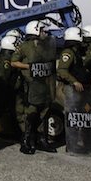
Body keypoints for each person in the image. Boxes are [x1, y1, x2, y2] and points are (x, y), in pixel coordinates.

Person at [10, 20, 58, 155]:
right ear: (35, 30)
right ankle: (26, 141)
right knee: (31, 113)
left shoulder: (47, 45)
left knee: (45, 111)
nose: (45, 33)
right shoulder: (24, 46)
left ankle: (42, 140)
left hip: (46, 82)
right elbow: (14, 62)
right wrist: (28, 67)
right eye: (42, 30)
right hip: (32, 83)